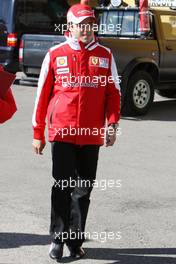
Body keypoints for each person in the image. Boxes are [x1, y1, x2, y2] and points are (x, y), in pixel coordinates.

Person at [32, 0, 121, 261]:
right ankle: (57, 239)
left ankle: (75, 240)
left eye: (90, 24)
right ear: (69, 27)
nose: (87, 29)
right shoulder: (56, 54)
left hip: (91, 135)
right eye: (81, 25)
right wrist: (38, 133)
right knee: (62, 186)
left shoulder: (105, 55)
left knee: (83, 190)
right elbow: (41, 96)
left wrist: (112, 124)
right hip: (62, 132)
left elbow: (113, 94)